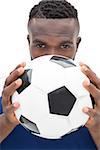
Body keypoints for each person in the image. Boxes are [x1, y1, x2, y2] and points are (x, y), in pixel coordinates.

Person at [0, 0, 100, 149]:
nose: (52, 55)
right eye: (40, 45)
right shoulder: (7, 106)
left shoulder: (95, 110)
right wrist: (6, 122)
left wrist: (97, 127)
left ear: (76, 45)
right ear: (29, 43)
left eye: (65, 46)